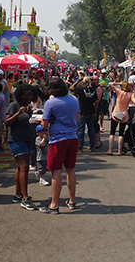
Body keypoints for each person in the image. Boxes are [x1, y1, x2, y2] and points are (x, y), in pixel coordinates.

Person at [39, 77, 80, 214]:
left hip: (58, 139)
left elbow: (44, 125)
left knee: (56, 172)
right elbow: (77, 118)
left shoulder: (50, 103)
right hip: (73, 137)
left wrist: (40, 121)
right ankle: (72, 200)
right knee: (70, 169)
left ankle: (54, 205)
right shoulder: (74, 100)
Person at [5, 84, 38, 210]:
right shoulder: (14, 105)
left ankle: (18, 194)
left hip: (28, 138)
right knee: (24, 167)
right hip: (17, 139)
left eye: (31, 95)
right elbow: (7, 123)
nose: (30, 97)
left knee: (20, 167)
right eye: (27, 95)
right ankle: (25, 197)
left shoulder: (28, 107)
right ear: (21, 95)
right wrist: (18, 113)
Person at [105, 81, 135, 156]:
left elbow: (110, 84)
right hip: (124, 115)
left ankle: (110, 150)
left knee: (112, 133)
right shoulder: (130, 95)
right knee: (121, 134)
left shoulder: (119, 92)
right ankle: (119, 151)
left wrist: (120, 83)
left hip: (116, 113)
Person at [71, 75, 99, 151]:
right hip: (91, 111)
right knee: (91, 129)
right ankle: (92, 145)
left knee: (81, 130)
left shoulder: (82, 90)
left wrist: (77, 81)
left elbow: (71, 88)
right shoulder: (93, 90)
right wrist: (95, 112)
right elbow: (96, 102)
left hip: (82, 111)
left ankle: (80, 147)